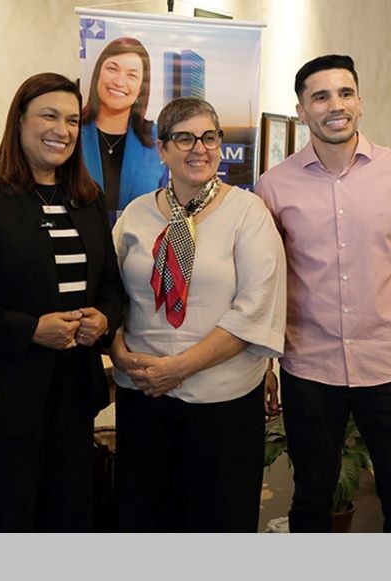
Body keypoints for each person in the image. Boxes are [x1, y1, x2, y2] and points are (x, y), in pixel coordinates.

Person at [255, 54, 391, 533]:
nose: (336, 105)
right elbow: (263, 284)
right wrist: (263, 363)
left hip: (390, 368)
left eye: (345, 93)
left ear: (360, 102)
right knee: (309, 500)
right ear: (302, 110)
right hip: (309, 370)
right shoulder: (273, 186)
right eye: (321, 96)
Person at [0, 72, 123, 532]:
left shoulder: (86, 199)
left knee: (66, 522)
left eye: (73, 120)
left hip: (72, 396)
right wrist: (29, 328)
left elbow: (110, 285)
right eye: (49, 115)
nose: (63, 129)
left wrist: (104, 318)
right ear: (19, 122)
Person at [111, 97, 286, 532]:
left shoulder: (248, 213)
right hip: (144, 397)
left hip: (221, 406)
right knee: (147, 522)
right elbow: (108, 295)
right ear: (162, 148)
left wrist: (180, 368)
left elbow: (254, 308)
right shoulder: (135, 214)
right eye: (184, 137)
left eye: (209, 137)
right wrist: (119, 353)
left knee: (218, 525)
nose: (199, 148)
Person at [81, 37, 168, 218]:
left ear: (141, 88)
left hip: (139, 244)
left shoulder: (158, 139)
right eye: (112, 69)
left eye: (132, 75)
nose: (119, 81)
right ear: (98, 74)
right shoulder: (70, 132)